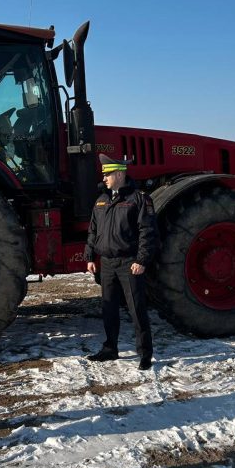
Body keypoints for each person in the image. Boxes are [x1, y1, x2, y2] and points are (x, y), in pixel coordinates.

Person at [84, 154, 159, 370]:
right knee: (108, 308)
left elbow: (147, 231)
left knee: (136, 309)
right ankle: (110, 349)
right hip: (107, 263)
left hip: (130, 263)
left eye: (107, 174)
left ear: (119, 174)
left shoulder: (139, 199)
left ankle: (145, 353)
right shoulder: (101, 200)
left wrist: (141, 259)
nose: (104, 178)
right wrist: (90, 256)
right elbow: (93, 230)